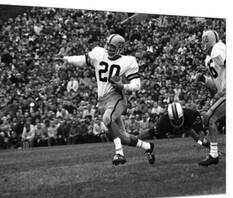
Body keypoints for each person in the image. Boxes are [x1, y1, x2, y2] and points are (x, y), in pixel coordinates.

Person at [55, 34, 155, 165]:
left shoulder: (128, 61)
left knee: (107, 119)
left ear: (120, 48)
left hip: (116, 97)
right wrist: (66, 59)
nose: (108, 48)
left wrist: (122, 86)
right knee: (123, 137)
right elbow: (83, 59)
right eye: (107, 45)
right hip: (102, 100)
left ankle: (119, 154)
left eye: (112, 46)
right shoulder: (99, 53)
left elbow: (137, 85)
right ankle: (147, 147)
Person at [195, 30, 226, 166]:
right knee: (209, 118)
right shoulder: (209, 58)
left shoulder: (218, 48)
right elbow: (216, 83)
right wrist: (204, 79)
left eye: (205, 41)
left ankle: (214, 155)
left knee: (209, 117)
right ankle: (213, 154)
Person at [138, 102, 210, 152]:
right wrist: (135, 139)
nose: (177, 122)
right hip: (171, 128)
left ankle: (211, 149)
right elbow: (151, 132)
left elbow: (200, 131)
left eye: (178, 119)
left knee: (199, 138)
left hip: (187, 125)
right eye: (175, 120)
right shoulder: (163, 121)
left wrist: (200, 143)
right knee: (153, 133)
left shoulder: (192, 114)